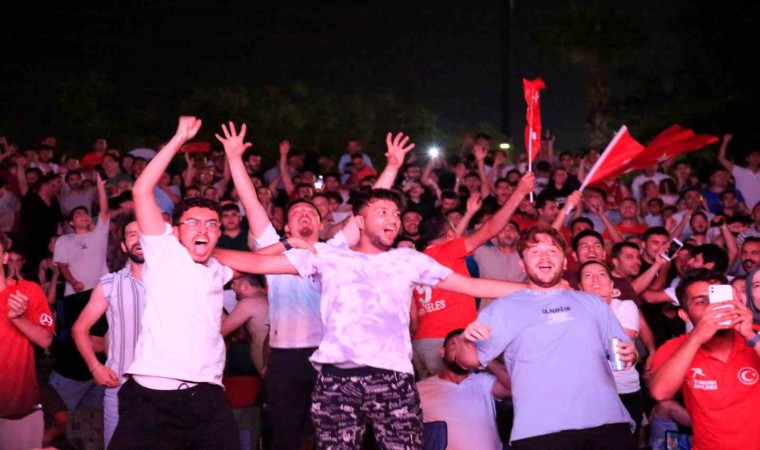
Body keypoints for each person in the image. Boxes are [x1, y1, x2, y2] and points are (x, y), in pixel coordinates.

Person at [213, 187, 528, 449]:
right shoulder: (327, 255)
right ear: (360, 222)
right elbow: (252, 263)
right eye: (383, 212)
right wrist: (200, 251)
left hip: (393, 379)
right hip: (338, 379)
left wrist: (532, 288)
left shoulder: (407, 260)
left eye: (396, 214)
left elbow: (471, 286)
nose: (393, 219)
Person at [217, 122, 412, 450]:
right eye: (296, 213)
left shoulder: (334, 250)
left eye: (310, 212)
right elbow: (251, 203)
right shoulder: (276, 251)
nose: (304, 215)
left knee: (332, 436)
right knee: (285, 438)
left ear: (322, 223)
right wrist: (235, 159)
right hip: (284, 358)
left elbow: (366, 214)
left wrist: (392, 166)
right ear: (286, 227)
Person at [109, 116, 238, 449]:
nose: (203, 228)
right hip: (151, 397)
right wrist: (179, 138)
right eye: (192, 223)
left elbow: (262, 258)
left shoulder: (218, 269)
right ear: (176, 231)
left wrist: (293, 244)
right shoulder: (164, 252)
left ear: (219, 233)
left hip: (206, 397)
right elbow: (141, 190)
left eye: (211, 224)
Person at [453, 225, 638, 449]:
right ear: (522, 264)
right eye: (535, 251)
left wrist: (631, 354)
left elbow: (623, 355)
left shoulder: (593, 303)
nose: (544, 257)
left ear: (565, 261)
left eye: (552, 251)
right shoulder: (503, 308)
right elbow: (468, 361)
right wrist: (465, 341)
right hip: (540, 432)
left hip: (608, 423)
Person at [410, 172, 533, 378]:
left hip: (421, 342)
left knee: (431, 395)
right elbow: (491, 229)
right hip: (448, 341)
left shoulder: (416, 261)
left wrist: (468, 214)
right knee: (457, 395)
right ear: (450, 234)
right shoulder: (448, 251)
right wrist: (519, 192)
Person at [649, 268, 760, 450]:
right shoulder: (676, 347)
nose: (712, 308)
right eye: (701, 302)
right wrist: (696, 338)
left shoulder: (755, 335)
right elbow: (660, 393)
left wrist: (750, 335)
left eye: (718, 298)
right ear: (685, 315)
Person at [71, 216, 145, 448]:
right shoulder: (110, 284)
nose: (138, 239)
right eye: (132, 235)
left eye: (144, 233)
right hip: (120, 386)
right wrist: (95, 367)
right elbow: (79, 329)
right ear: (123, 246)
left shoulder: (176, 282)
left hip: (166, 389)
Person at [0, 232, 54, 450]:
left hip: (19, 411)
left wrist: (18, 318)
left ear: (5, 257)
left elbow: (46, 340)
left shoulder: (28, 290)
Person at [417, 328, 512, 450]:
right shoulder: (421, 389)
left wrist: (486, 359)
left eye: (468, 346)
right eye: (454, 344)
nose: (460, 349)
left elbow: (515, 388)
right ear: (442, 352)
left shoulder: (483, 381)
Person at [578, 260, 644, 433]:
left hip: (623, 389)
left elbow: (619, 344)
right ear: (580, 287)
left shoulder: (625, 306)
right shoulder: (573, 312)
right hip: (588, 392)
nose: (596, 280)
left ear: (612, 284)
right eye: (588, 276)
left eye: (602, 274)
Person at [53, 173, 109, 296]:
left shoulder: (99, 234)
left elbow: (104, 211)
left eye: (85, 213)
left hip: (102, 291)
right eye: (78, 213)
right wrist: (73, 282)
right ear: (71, 222)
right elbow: (62, 265)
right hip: (75, 291)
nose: (83, 215)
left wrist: (100, 187)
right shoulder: (64, 240)